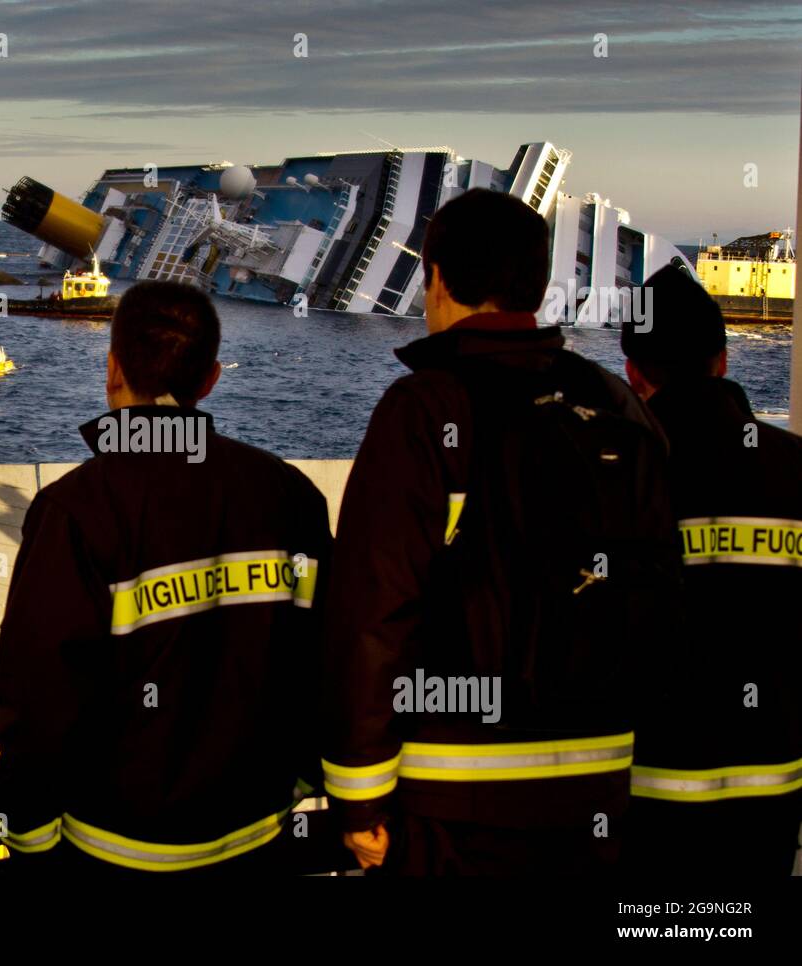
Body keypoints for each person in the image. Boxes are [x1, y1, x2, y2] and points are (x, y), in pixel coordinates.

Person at [322, 189, 680, 875]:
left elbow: (372, 609)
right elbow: (663, 591)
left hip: (450, 797)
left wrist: (359, 797)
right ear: (540, 283)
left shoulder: (425, 406)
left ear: (434, 277)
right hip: (593, 784)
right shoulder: (617, 405)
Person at [0, 280, 332, 872]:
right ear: (210, 380)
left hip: (114, 847)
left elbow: (38, 693)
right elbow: (323, 651)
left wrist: (28, 836)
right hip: (259, 834)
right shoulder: (287, 494)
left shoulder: (74, 512)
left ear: (112, 370)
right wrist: (302, 773)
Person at [621, 265, 802, 876]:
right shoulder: (792, 468)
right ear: (722, 360)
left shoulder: (611, 477)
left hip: (641, 798)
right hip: (771, 798)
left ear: (633, 373)